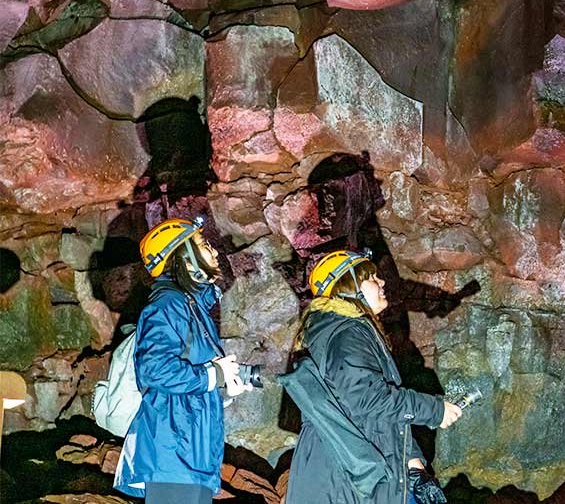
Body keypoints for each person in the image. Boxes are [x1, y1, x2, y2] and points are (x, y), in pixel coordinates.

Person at [282, 250, 462, 504]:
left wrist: (414, 465)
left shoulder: (345, 330)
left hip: (356, 470)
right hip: (342, 479)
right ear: (348, 288)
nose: (382, 282)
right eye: (371, 278)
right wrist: (434, 410)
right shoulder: (345, 333)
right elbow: (369, 399)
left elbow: (374, 415)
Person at [114, 216, 249, 503]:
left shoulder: (193, 307)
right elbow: (154, 369)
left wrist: (223, 388)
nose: (214, 251)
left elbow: (188, 381)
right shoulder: (168, 305)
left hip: (192, 455)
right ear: (182, 258)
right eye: (204, 245)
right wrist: (212, 375)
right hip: (172, 453)